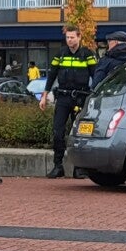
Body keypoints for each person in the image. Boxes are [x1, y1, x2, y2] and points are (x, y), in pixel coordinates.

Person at [41, 25, 97, 179]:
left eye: (72, 37)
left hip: (80, 97)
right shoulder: (60, 54)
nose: (70, 40)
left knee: (79, 133)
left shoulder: (87, 54)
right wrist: (44, 95)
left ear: (79, 37)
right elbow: (52, 75)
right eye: (67, 37)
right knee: (57, 132)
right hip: (63, 97)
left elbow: (96, 76)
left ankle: (78, 168)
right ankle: (58, 166)